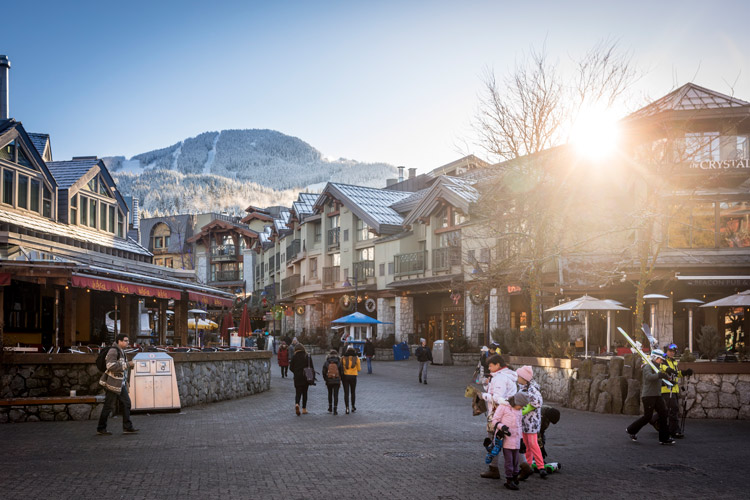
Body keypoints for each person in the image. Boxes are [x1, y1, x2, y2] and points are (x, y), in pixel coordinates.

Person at [480, 354, 518, 479]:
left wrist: (483, 396)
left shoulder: (500, 378)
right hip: (510, 413)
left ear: (497, 365)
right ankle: (523, 466)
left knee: (494, 441)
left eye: (491, 366)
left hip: (499, 413)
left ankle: (494, 468)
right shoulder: (508, 375)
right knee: (512, 442)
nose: (489, 368)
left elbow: (498, 398)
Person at [626, 349, 674, 445]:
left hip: (657, 395)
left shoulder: (658, 368)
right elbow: (649, 377)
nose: (661, 361)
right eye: (660, 359)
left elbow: (657, 381)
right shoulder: (647, 366)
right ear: (655, 358)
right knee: (647, 417)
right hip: (648, 396)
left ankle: (664, 438)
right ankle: (631, 430)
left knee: (664, 414)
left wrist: (668, 383)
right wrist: (660, 375)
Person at [96, 334, 138, 435]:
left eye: (127, 341)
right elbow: (110, 366)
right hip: (113, 383)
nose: (127, 343)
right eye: (125, 341)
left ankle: (127, 427)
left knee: (126, 403)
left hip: (119, 383)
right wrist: (127, 365)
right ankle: (101, 428)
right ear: (119, 341)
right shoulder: (113, 351)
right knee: (109, 405)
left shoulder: (121, 351)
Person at [515, 365, 547, 479]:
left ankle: (541, 466)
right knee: (527, 445)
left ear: (524, 378)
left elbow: (538, 402)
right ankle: (528, 466)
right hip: (524, 422)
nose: (517, 378)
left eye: (519, 376)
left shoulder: (532, 389)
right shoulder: (522, 388)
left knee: (533, 444)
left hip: (531, 422)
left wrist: (526, 407)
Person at [492, 392, 528, 490]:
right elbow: (494, 420)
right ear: (515, 402)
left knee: (516, 461)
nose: (521, 408)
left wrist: (521, 440)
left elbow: (520, 425)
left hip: (516, 439)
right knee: (509, 461)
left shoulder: (519, 411)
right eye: (520, 406)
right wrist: (502, 427)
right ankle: (509, 479)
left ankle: (515, 477)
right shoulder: (503, 407)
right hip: (506, 438)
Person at [660, 343, 693, 439]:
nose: (672, 353)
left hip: (674, 389)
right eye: (670, 351)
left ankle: (657, 421)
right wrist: (668, 369)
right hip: (666, 389)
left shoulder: (674, 362)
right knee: (673, 409)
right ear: (666, 351)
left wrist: (685, 373)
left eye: (673, 352)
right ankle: (674, 430)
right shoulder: (662, 360)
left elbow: (676, 374)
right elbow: (661, 367)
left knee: (670, 410)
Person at [289, 343, 313, 415]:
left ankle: (297, 404)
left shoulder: (294, 356)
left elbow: (291, 367)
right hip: (306, 377)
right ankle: (304, 409)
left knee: (298, 392)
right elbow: (311, 367)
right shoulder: (307, 356)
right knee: (305, 393)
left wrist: (295, 372)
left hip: (297, 377)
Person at [322, 349, 343, 415]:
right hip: (336, 380)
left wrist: (326, 379)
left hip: (329, 380)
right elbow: (341, 372)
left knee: (330, 393)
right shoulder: (338, 361)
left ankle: (330, 407)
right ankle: (335, 409)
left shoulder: (327, 362)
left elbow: (323, 372)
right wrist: (340, 379)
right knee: (336, 394)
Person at [341, 347, 361, 414]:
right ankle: (353, 406)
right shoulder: (356, 358)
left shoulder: (343, 358)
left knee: (346, 393)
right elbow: (359, 369)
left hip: (345, 376)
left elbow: (341, 367)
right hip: (353, 376)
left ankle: (347, 408)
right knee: (353, 392)